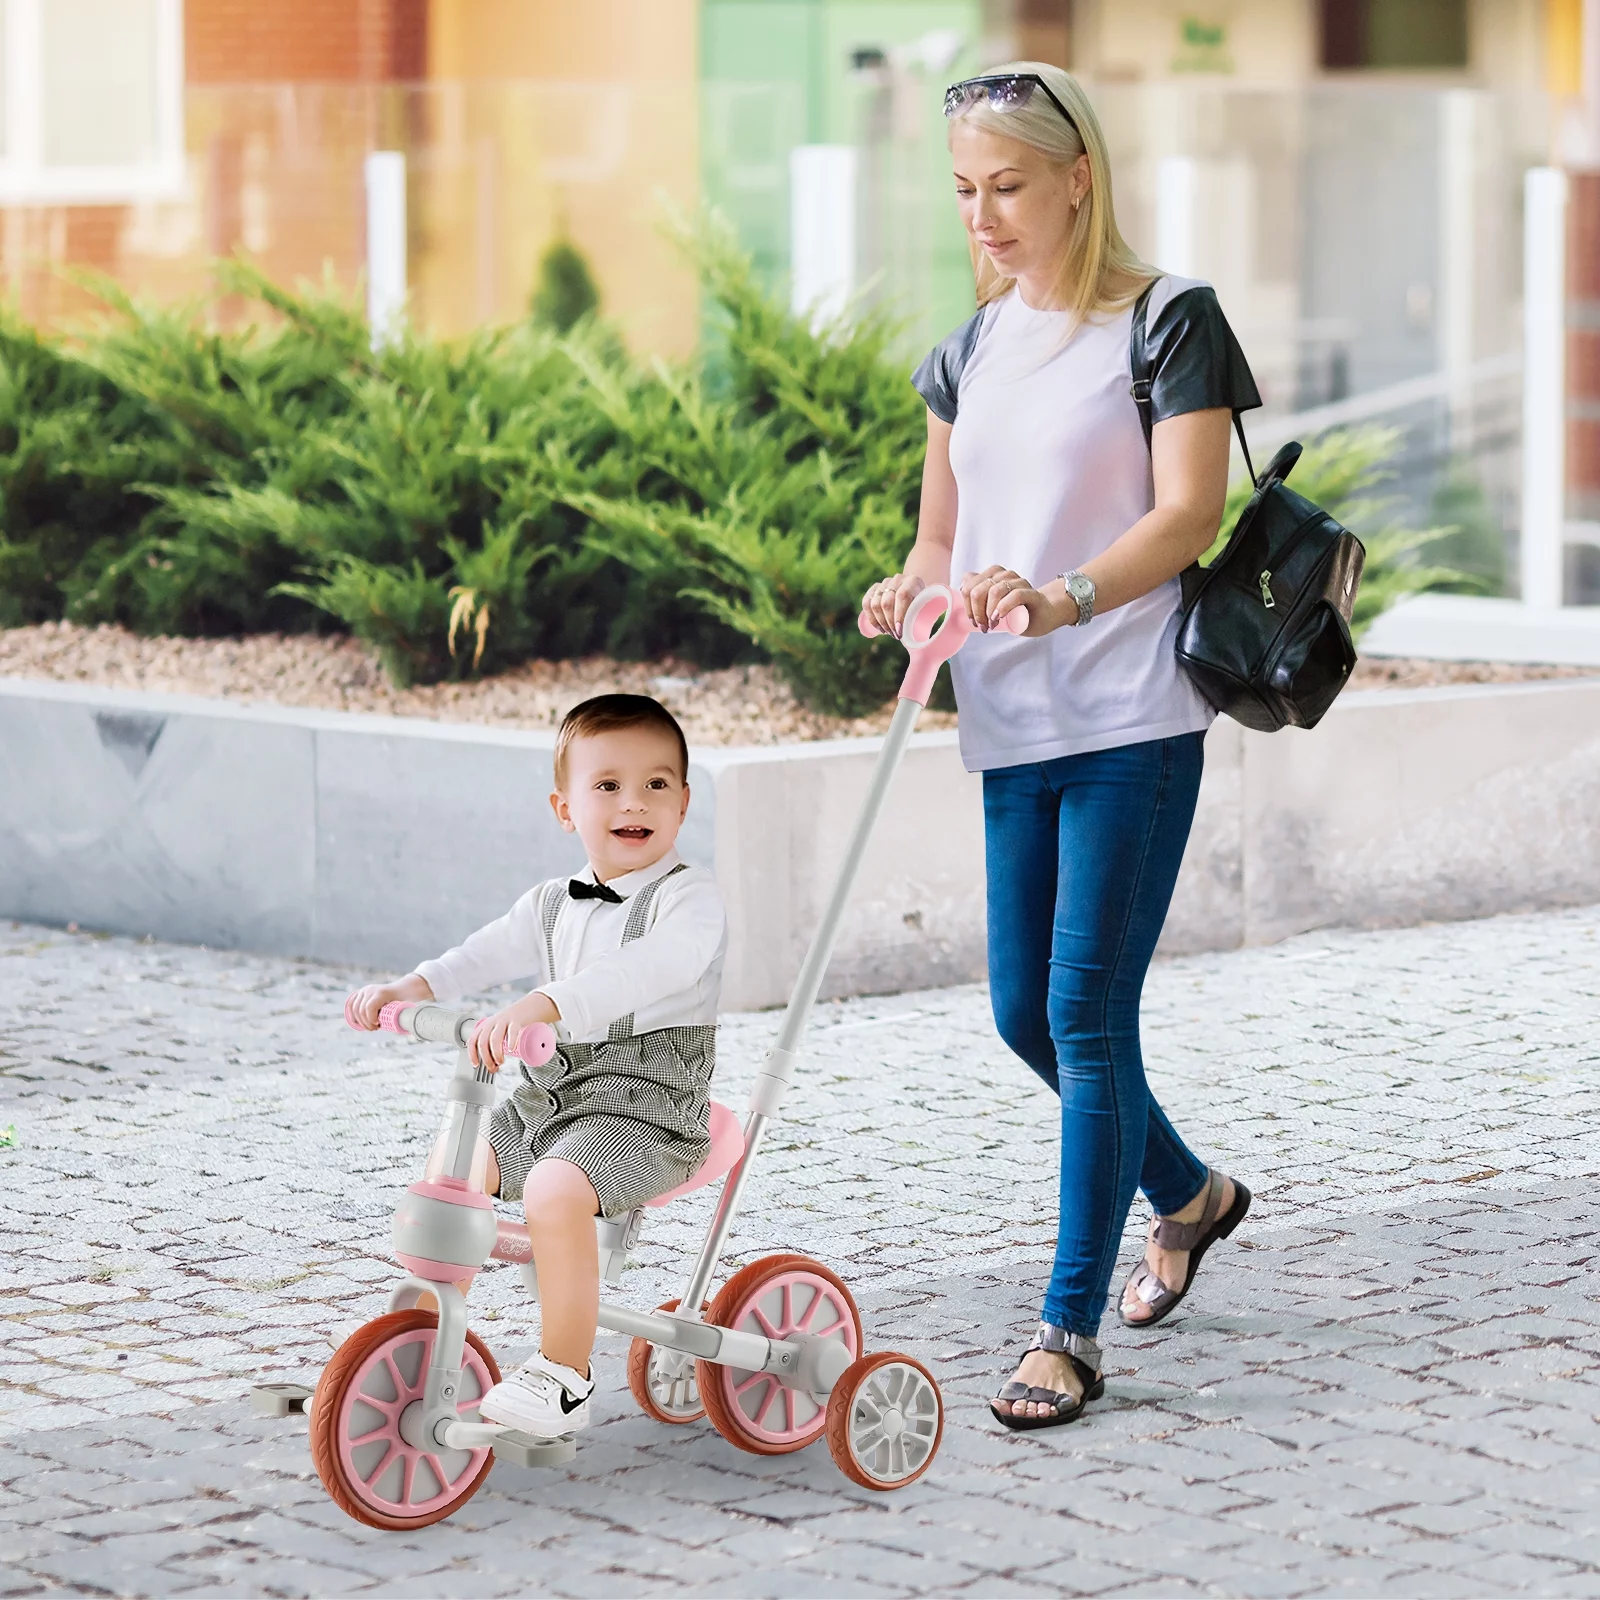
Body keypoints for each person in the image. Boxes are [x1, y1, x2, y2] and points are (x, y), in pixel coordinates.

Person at [861, 64, 1256, 1432]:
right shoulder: (967, 352)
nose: (985, 217)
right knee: (1023, 1015)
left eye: (1009, 187)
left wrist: (1061, 595)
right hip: (1010, 720)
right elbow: (938, 533)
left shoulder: (1167, 323)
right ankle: (1192, 1196)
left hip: (1132, 712)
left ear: (1077, 175)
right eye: (965, 192)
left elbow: (1188, 514)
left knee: (1087, 1013)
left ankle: (1067, 1331)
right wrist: (911, 590)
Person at [346, 693, 727, 1438]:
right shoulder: (553, 902)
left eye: (656, 784)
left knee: (554, 1187)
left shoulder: (691, 901)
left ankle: (564, 1370)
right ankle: (420, 1330)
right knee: (451, 1173)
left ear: (683, 804)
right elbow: (481, 953)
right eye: (607, 785)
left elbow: (649, 970)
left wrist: (544, 1004)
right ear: (565, 808)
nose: (633, 802)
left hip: (647, 1109)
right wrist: (412, 990)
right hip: (551, 1098)